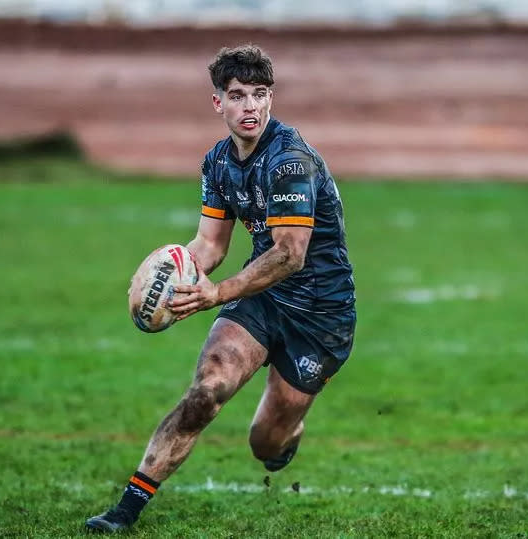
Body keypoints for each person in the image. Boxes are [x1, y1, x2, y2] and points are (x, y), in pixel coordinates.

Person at [86, 44, 356, 533]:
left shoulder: (291, 162)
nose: (249, 106)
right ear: (219, 104)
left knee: (264, 445)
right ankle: (124, 512)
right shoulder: (218, 162)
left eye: (259, 95)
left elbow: (289, 254)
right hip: (262, 300)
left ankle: (289, 429)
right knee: (207, 391)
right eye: (237, 96)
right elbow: (210, 243)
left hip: (322, 313)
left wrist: (218, 291)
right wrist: (177, 275)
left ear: (271, 99)